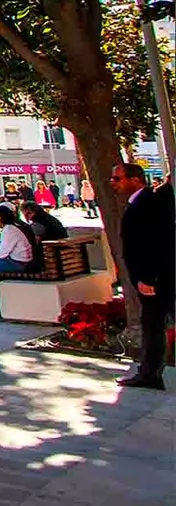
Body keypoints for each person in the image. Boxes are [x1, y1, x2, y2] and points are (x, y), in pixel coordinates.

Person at [110, 162, 174, 390]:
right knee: (153, 326)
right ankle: (149, 373)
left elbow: (156, 244)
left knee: (154, 327)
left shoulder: (148, 203)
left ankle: (149, 375)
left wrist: (149, 279)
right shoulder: (142, 202)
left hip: (156, 280)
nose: (113, 183)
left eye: (117, 179)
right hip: (153, 279)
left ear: (135, 179)